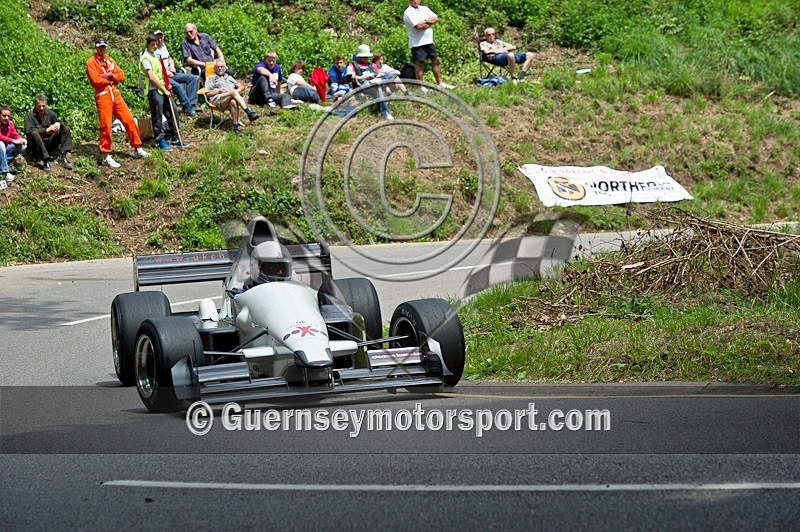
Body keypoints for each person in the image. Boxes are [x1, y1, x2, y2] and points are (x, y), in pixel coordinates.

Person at [86, 38, 149, 168]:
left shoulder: (109, 60)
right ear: (96, 48)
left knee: (129, 120)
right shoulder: (91, 62)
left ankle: (137, 147)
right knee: (106, 125)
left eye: (104, 46)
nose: (102, 49)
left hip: (115, 94)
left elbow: (120, 75)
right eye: (100, 47)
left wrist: (109, 76)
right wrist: (109, 78)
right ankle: (106, 155)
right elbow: (95, 80)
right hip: (103, 95)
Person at [141, 33, 185, 151]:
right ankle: (160, 139)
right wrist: (163, 89)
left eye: (156, 44)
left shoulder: (155, 55)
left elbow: (161, 72)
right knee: (158, 115)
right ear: (148, 45)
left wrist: (167, 84)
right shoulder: (146, 58)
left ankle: (175, 136)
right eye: (153, 44)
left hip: (163, 88)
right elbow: (152, 77)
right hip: (154, 90)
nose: (155, 46)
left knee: (173, 110)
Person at [403, 0, 454, 89]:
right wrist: (429, 23)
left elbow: (436, 18)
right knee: (420, 64)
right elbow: (418, 26)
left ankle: (440, 83)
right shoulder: (408, 12)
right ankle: (421, 87)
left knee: (436, 60)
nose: (415, 1)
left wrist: (425, 21)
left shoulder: (425, 9)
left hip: (429, 41)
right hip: (417, 43)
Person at [204, 59, 260, 136]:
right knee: (233, 92)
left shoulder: (229, 77)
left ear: (225, 68)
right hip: (218, 99)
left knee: (233, 101)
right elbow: (207, 94)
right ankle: (249, 112)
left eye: (222, 67)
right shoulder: (211, 78)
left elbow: (241, 86)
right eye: (218, 67)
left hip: (230, 98)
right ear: (214, 68)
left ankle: (235, 128)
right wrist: (218, 91)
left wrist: (237, 91)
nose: (220, 68)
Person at [153, 29, 198, 117]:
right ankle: (188, 110)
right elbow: (156, 67)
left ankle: (191, 105)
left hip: (171, 72)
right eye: (157, 37)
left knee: (192, 78)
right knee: (178, 87)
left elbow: (169, 57)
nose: (159, 39)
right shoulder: (154, 50)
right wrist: (166, 73)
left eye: (161, 37)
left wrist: (172, 65)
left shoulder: (163, 47)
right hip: (162, 76)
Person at [23, 96, 74, 171]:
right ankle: (45, 160)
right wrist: (46, 130)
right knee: (34, 133)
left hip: (49, 142)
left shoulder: (50, 114)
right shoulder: (29, 116)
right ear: (35, 105)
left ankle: (62, 155)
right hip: (36, 145)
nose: (41, 108)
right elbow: (28, 130)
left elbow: (59, 121)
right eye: (39, 106)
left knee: (65, 128)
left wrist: (58, 124)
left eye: (43, 106)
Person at [347, 45, 392, 120]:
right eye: (364, 57)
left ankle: (386, 113)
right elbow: (352, 77)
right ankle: (386, 112)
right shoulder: (353, 64)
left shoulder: (371, 65)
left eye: (367, 57)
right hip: (362, 84)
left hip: (373, 81)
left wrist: (375, 75)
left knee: (387, 77)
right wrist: (364, 77)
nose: (366, 58)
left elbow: (378, 73)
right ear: (360, 57)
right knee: (376, 87)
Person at [0, 106, 27, 182]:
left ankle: (2, 164)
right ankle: (5, 172)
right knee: (1, 143)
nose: (6, 118)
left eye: (8, 116)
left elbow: (14, 134)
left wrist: (21, 139)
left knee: (23, 146)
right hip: (1, 146)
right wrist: (13, 141)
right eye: (4, 116)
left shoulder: (10, 124)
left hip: (5, 148)